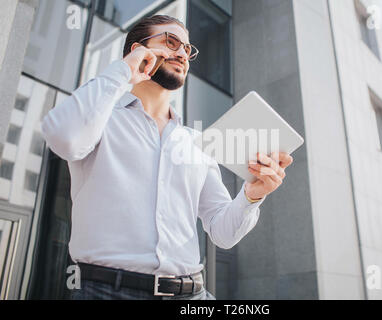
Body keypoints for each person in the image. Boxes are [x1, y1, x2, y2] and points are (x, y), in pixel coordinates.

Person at [41, 14, 293, 300]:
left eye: (187, 49)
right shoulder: (99, 119)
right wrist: (124, 70)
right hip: (106, 292)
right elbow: (63, 137)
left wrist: (252, 196)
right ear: (138, 50)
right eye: (171, 43)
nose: (182, 54)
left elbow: (223, 232)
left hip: (191, 294)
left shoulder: (197, 143)